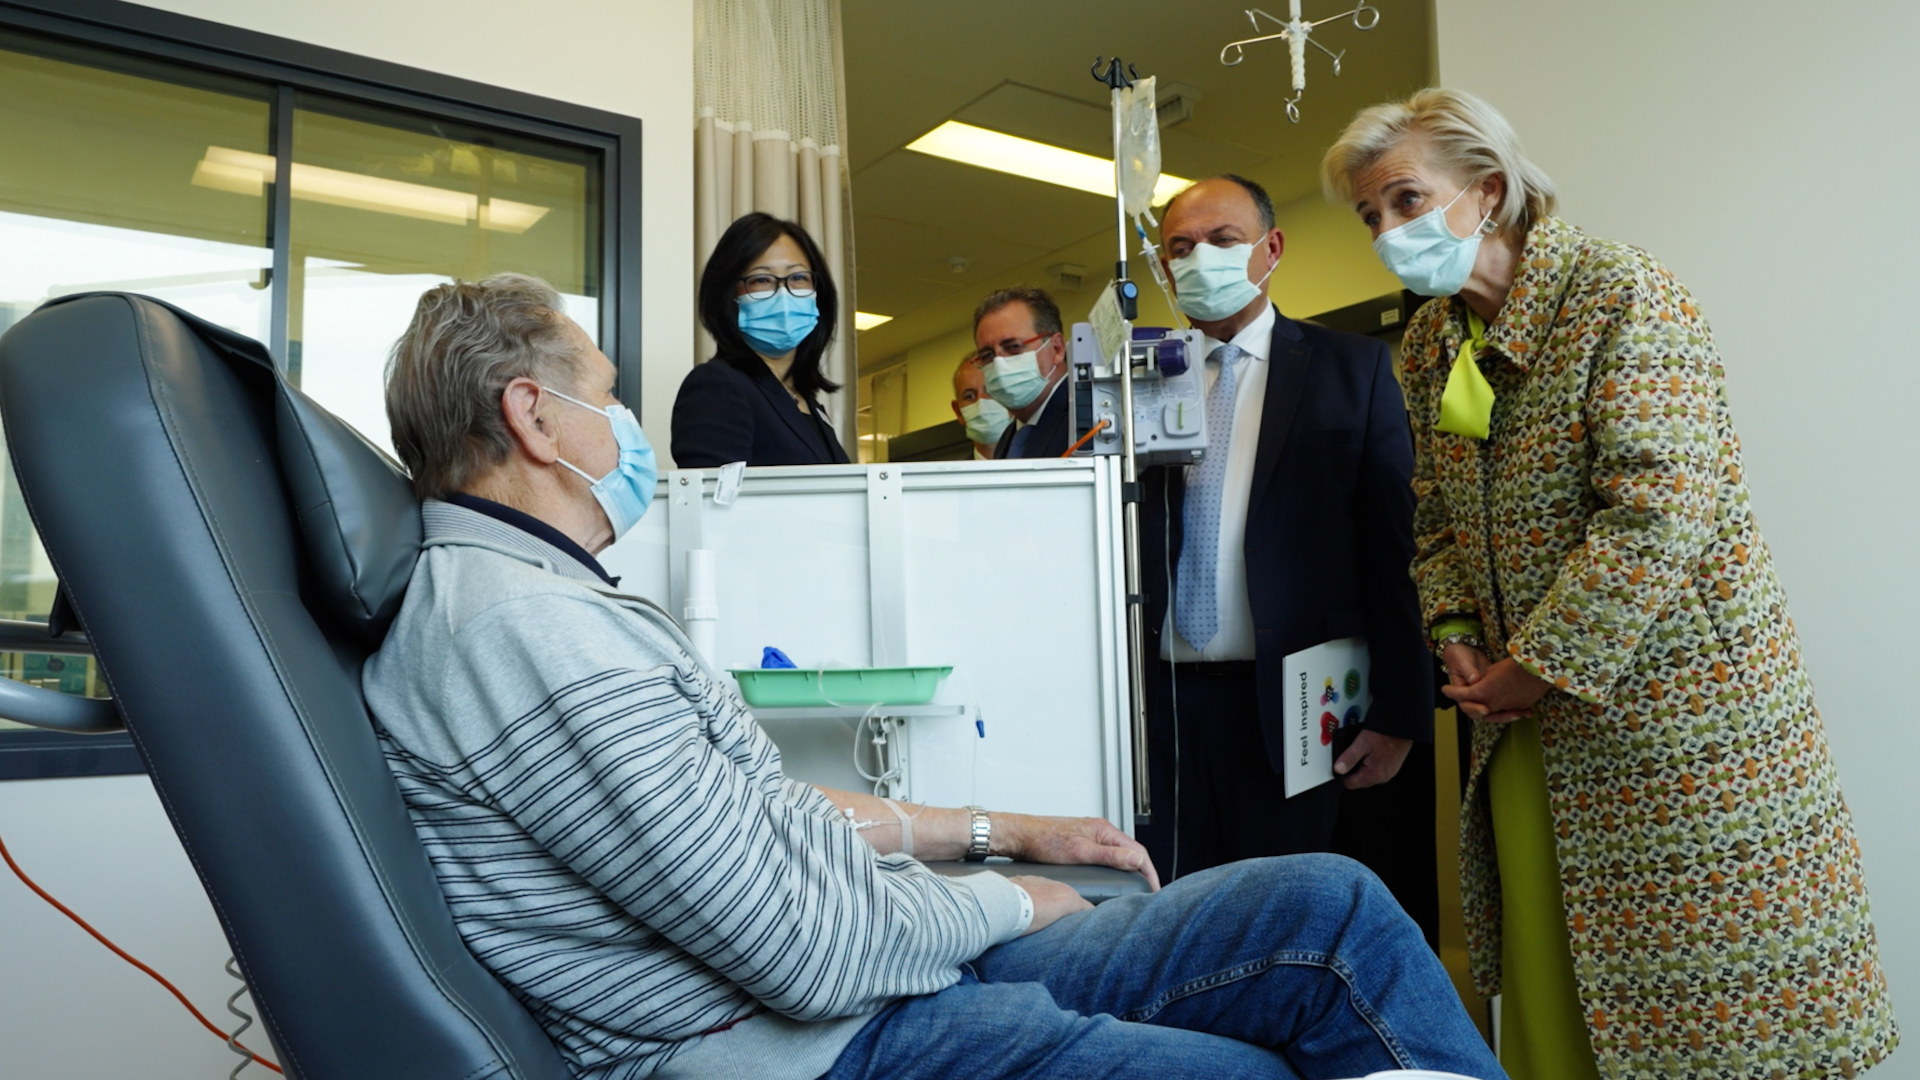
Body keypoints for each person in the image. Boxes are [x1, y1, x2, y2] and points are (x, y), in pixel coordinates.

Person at [368, 273, 1505, 1080]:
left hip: (869, 977)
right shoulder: (530, 635)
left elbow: (757, 819)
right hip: (808, 1043)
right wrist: (1001, 901)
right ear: (533, 415)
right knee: (1270, 1057)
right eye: (604, 396)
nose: (623, 425)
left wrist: (1008, 833)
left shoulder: (548, 606)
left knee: (1331, 899)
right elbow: (801, 954)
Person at [1322, 88, 1898, 1080]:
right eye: (1373, 215)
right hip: (1523, 727)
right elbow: (1434, 515)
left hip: (1675, 723)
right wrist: (1457, 633)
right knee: (1562, 988)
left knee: (1716, 1001)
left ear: (1489, 192)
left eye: (1407, 201)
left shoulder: (1617, 290)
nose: (1387, 233)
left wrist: (1536, 665)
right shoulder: (1428, 344)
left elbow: (1661, 508)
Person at [1134, 174, 1433, 887]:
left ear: (1271, 249)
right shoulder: (1140, 383)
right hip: (1161, 709)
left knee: (1282, 917)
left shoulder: (1347, 370)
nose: (1197, 258)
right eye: (1179, 247)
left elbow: (1397, 549)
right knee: (1169, 920)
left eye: (1221, 240)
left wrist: (1401, 713)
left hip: (1296, 710)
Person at [672, 212, 850, 467]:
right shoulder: (716, 386)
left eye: (798, 277)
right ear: (727, 294)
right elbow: (714, 503)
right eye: (762, 280)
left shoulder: (806, 402)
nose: (784, 294)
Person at [971, 286, 1070, 459]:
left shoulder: (1085, 417)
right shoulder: (1009, 438)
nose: (999, 364)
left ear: (1057, 348)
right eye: (987, 355)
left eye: (1013, 347)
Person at [950, 353, 1008, 459]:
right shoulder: (954, 476)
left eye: (991, 391)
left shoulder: (1044, 462)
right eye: (970, 396)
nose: (981, 403)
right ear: (958, 412)